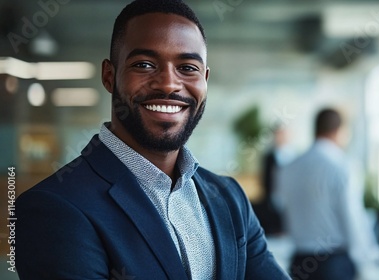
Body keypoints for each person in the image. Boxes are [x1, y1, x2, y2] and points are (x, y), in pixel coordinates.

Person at [15, 1, 289, 279]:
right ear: (109, 76)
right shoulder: (54, 208)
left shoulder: (230, 198)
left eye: (188, 67)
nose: (169, 84)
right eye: (144, 64)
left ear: (205, 80)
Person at [278, 108, 378, 280]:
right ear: (340, 131)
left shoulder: (289, 167)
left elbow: (280, 204)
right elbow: (352, 218)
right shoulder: (342, 166)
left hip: (299, 261)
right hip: (333, 264)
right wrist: (366, 262)